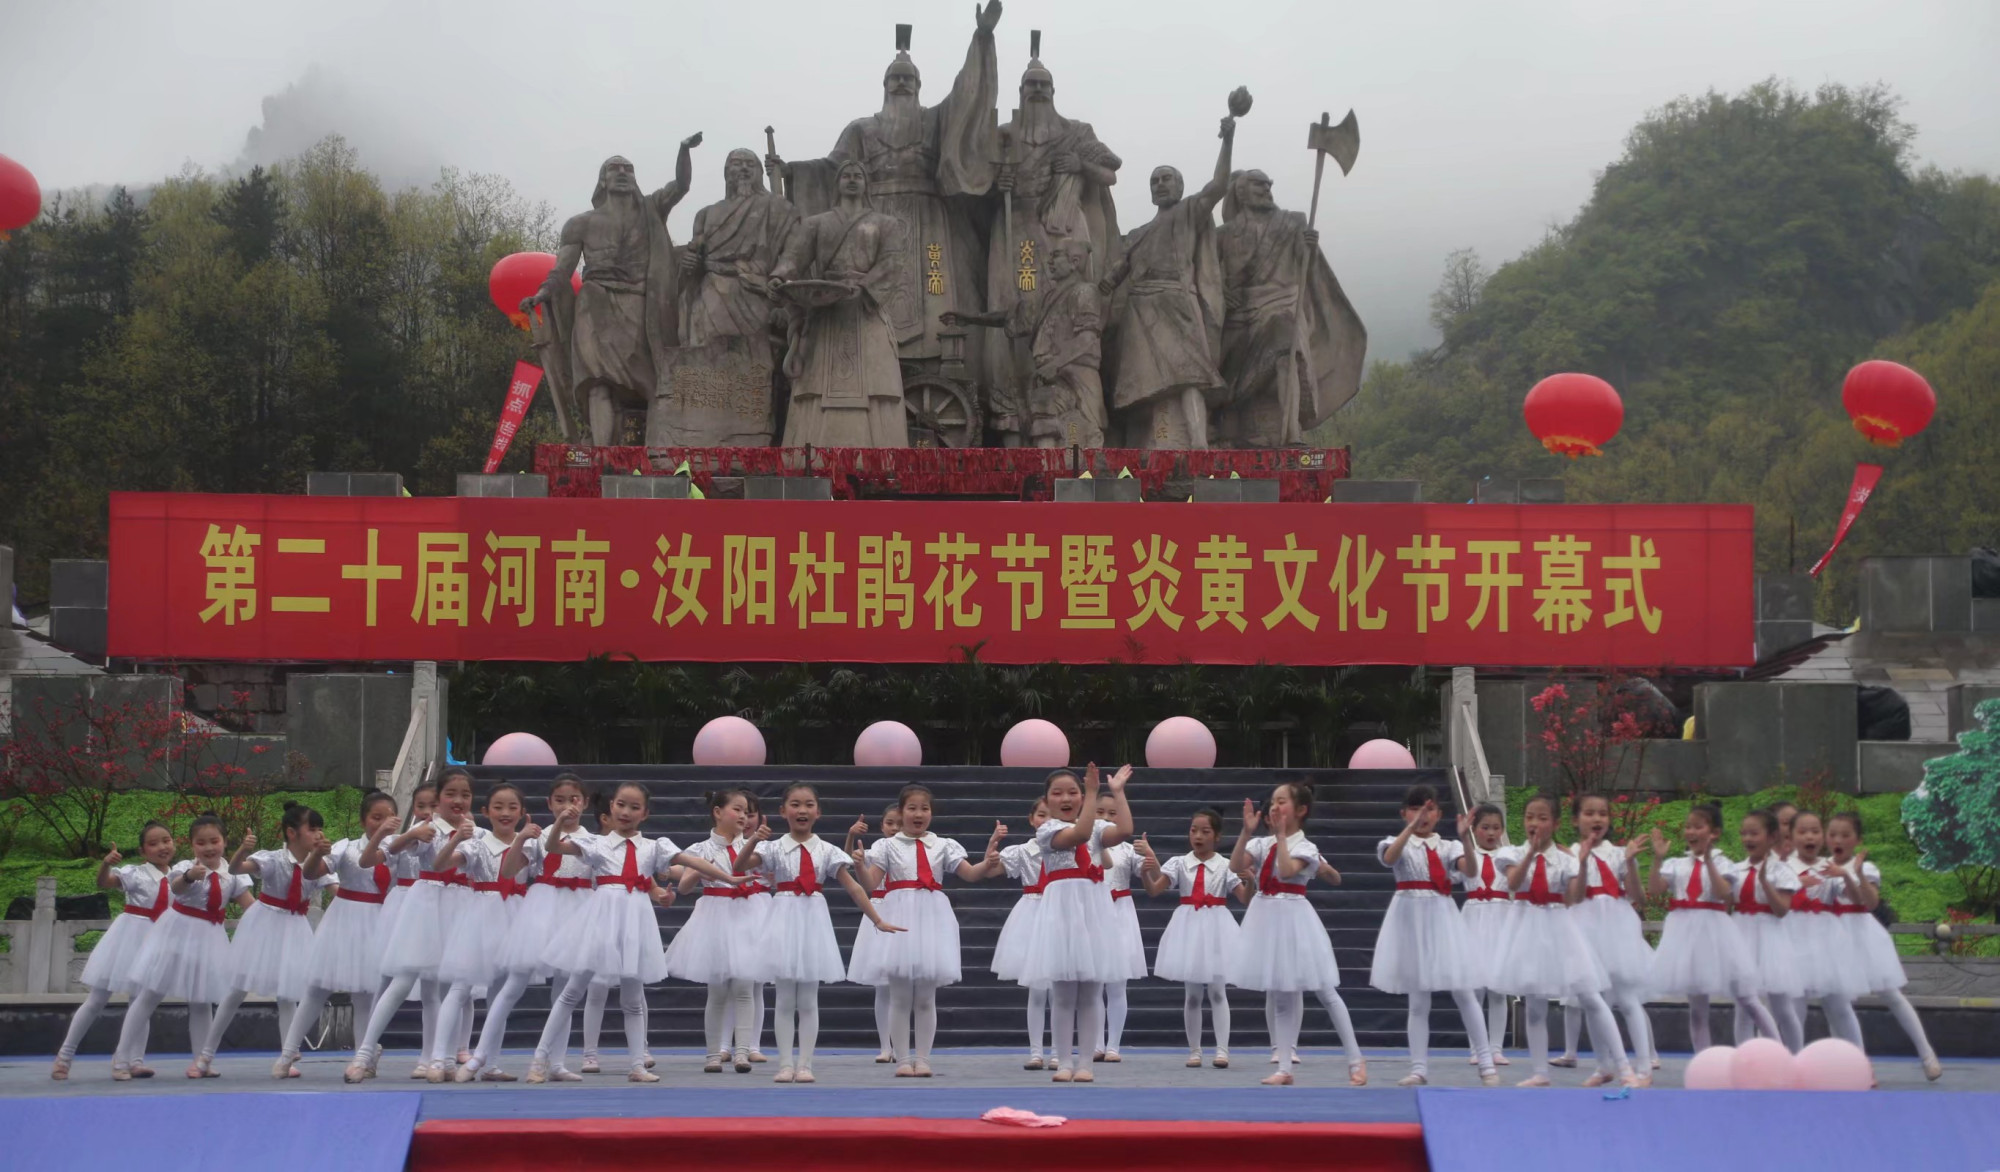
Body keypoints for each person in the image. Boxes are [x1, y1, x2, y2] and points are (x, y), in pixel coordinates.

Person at [526, 782, 739, 1083]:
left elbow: (693, 862)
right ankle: (539, 1059)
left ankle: (638, 1064)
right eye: (621, 805)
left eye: (634, 807)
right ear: (611, 807)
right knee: (572, 992)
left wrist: (727, 877)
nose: (626, 812)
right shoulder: (596, 844)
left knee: (633, 999)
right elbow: (553, 847)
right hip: (601, 919)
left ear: (645, 813)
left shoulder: (654, 847)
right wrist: (560, 821)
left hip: (635, 922)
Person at [734, 783, 903, 1082]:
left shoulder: (828, 850)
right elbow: (739, 866)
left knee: (809, 1000)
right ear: (783, 811)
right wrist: (752, 840)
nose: (802, 810)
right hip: (783, 919)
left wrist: (877, 919)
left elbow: (853, 886)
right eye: (795, 804)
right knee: (785, 998)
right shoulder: (771, 847)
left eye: (809, 804)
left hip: (813, 921)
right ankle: (785, 1063)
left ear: (818, 811)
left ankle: (806, 1064)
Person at [856, 783, 1007, 1077]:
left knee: (926, 997)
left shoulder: (943, 845)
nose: (918, 814)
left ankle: (923, 1058)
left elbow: (970, 874)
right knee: (899, 996)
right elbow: (871, 885)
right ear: (900, 813)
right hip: (899, 914)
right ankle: (902, 1059)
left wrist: (988, 859)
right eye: (911, 808)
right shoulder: (886, 846)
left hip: (932, 917)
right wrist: (861, 865)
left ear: (931, 813)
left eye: (924, 808)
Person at [344, 769, 479, 1082]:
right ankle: (364, 1053)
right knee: (402, 981)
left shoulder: (477, 833)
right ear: (438, 799)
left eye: (465, 795)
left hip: (461, 907)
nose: (458, 800)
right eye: (451, 794)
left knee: (446, 988)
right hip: (427, 904)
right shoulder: (425, 829)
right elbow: (378, 855)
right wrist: (412, 834)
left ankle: (438, 1058)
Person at [1493, 794, 1635, 1088]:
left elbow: (1574, 898)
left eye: (1543, 818)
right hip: (1526, 927)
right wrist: (1531, 852)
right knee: (1534, 1005)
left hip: (1559, 926)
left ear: (1555, 823)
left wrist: (1581, 865)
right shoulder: (1511, 853)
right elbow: (1514, 883)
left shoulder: (1566, 857)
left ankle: (1623, 1068)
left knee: (1590, 995)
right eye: (1530, 817)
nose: (1535, 823)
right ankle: (1540, 1072)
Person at [1230, 782, 1366, 1086]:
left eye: (1283, 802)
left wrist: (1280, 836)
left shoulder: (1305, 847)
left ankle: (1356, 1059)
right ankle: (1285, 1067)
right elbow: (1236, 865)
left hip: (1294, 917)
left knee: (1325, 991)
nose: (1275, 807)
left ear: (1301, 810)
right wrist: (1246, 832)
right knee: (1280, 995)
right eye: (1273, 802)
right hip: (1266, 916)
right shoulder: (1261, 844)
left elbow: (1288, 870)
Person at [769, 159, 911, 447]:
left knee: (877, 388)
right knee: (815, 387)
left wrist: (864, 286)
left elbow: (893, 263)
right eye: (846, 175)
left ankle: (881, 456)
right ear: (837, 183)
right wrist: (779, 278)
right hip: (825, 313)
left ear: (866, 183)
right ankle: (808, 454)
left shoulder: (886, 224)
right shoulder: (816, 223)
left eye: (858, 175)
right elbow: (793, 259)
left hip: (866, 312)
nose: (852, 179)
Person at [1371, 785, 1499, 1087]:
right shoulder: (1395, 841)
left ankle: (1486, 1062)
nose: (1423, 815)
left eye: (1429, 809)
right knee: (1418, 999)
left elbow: (1470, 871)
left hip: (1441, 917)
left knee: (1464, 991)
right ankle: (1418, 1068)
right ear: (1404, 814)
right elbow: (1390, 859)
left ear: (1439, 814)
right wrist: (1411, 829)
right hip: (1409, 917)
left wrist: (1466, 837)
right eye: (1415, 809)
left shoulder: (1448, 846)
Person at [469, 773, 593, 1083]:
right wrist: (522, 838)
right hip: (543, 909)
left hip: (578, 910)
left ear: (585, 803)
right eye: (560, 800)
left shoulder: (593, 841)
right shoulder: (539, 837)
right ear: (550, 804)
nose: (567, 806)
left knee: (564, 989)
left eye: (574, 799)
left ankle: (557, 1062)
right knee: (514, 984)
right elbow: (509, 871)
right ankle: (481, 1056)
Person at [111, 813, 254, 1080]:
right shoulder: (186, 866)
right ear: (192, 845)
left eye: (215, 841)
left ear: (224, 841)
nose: (209, 847)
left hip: (210, 938)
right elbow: (177, 888)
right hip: (177, 932)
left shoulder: (232, 873)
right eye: (201, 843)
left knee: (201, 1001)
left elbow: (249, 904)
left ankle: (201, 1061)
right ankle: (121, 1060)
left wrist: (267, 922)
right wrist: (189, 876)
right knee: (150, 994)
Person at [1016, 764, 1131, 1084]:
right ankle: (1064, 1060)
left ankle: (1086, 1063)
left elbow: (1123, 831)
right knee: (1064, 993)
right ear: (1047, 799)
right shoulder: (1047, 829)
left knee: (1092, 993)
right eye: (1057, 793)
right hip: (1062, 909)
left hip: (1093, 908)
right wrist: (1092, 793)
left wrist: (1117, 793)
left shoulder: (1095, 827)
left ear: (1081, 797)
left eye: (1073, 792)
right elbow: (1078, 835)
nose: (1065, 798)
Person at [276, 791, 399, 1079]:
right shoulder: (346, 847)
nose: (379, 823)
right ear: (362, 820)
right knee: (317, 989)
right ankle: (285, 1055)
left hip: (380, 921)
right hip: (344, 920)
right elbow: (311, 873)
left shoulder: (401, 848)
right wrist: (317, 853)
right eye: (374, 817)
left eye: (386, 817)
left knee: (366, 994)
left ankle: (362, 1056)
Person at [202, 802, 331, 1072]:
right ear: (292, 832)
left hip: (295, 928)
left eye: (321, 829)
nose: (319, 834)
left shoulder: (321, 864)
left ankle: (287, 1054)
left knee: (288, 995)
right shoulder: (273, 859)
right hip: (264, 924)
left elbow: (338, 889)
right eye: (312, 828)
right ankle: (206, 1054)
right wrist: (244, 849)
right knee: (237, 989)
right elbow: (236, 869)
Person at [1644, 805, 1781, 1052]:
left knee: (1747, 998)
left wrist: (1708, 861)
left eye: (1699, 826)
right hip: (1685, 935)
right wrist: (1657, 858)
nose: (1691, 831)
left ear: (1714, 832)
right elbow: (1654, 889)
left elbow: (1723, 893)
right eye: (1688, 826)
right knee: (1697, 1009)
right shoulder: (1677, 864)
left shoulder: (1725, 863)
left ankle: (1778, 1050)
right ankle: (1703, 1062)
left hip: (1716, 934)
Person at [1823, 811, 1943, 1080]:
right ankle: (1854, 1065)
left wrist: (1853, 875)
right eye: (1832, 834)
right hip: (1832, 938)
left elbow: (1870, 903)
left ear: (1857, 839)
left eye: (1845, 835)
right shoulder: (1821, 867)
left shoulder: (1865, 867)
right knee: (1835, 1002)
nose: (1837, 840)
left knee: (1891, 994)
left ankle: (1927, 1054)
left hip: (1863, 934)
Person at [52, 822, 175, 1080]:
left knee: (141, 1001)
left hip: (156, 941)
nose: (162, 847)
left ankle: (134, 1060)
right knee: (97, 999)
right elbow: (105, 882)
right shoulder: (135, 873)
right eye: (153, 844)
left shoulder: (179, 876)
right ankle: (64, 1056)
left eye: (166, 840)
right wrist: (106, 863)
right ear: (143, 851)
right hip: (127, 938)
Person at [425, 783, 531, 1082]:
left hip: (515, 915)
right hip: (480, 914)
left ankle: (490, 1062)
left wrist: (523, 838)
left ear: (522, 812)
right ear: (486, 812)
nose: (505, 813)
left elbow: (515, 869)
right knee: (461, 988)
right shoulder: (476, 844)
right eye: (498, 807)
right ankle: (439, 1059)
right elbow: (441, 863)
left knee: (500, 993)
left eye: (512, 807)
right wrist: (457, 837)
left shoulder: (529, 845)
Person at [667, 788, 773, 1074]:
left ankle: (742, 1052)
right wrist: (698, 871)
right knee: (717, 991)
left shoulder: (754, 847)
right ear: (717, 812)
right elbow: (686, 888)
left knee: (744, 987)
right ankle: (714, 1053)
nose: (742, 816)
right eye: (736, 809)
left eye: (746, 811)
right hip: (715, 916)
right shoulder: (700, 849)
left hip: (747, 916)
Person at [1140, 806, 1242, 1069]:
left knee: (1218, 991)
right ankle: (1195, 1050)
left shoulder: (1226, 866)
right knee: (1193, 994)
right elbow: (1154, 889)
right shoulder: (1179, 863)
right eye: (1194, 830)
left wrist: (1251, 880)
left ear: (1217, 836)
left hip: (1217, 927)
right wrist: (1146, 869)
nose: (1198, 836)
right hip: (1188, 927)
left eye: (1205, 831)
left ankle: (1222, 1050)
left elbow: (1246, 897)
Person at [1567, 793, 1659, 1083]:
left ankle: (1644, 1067)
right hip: (1585, 926)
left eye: (1602, 814)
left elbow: (1638, 897)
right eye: (1589, 813)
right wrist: (1581, 862)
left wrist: (1630, 862)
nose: (1596, 819)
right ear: (1575, 819)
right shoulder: (1569, 854)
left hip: (1617, 928)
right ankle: (1604, 1065)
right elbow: (1575, 897)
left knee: (1628, 997)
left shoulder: (1619, 853)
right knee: (1594, 999)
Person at [1785, 812, 1864, 1050]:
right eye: (1802, 831)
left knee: (1839, 1005)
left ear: (1823, 837)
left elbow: (1857, 899)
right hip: (1792, 938)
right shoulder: (1783, 867)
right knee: (1794, 1006)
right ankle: (1792, 1063)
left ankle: (1860, 1062)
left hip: (1826, 941)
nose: (1809, 836)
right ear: (1790, 836)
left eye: (1815, 831)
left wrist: (1848, 876)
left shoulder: (1830, 867)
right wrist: (1795, 886)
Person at [1730, 809, 1806, 1051]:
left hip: (1769, 937)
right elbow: (1727, 903)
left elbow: (1782, 909)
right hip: (1740, 935)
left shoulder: (1780, 870)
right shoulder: (1735, 870)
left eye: (1754, 833)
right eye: (1744, 834)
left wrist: (1764, 882)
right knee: (1743, 1005)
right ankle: (1744, 1061)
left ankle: (1793, 1059)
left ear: (1772, 837)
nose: (1748, 839)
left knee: (1782, 1006)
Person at [988, 797, 1053, 1068]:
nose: (1046, 821)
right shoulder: (1022, 851)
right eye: (1041, 815)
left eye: (1051, 816)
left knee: (1063, 990)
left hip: (1061, 910)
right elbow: (992, 870)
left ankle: (1060, 1052)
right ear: (1031, 819)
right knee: (1037, 989)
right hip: (1032, 911)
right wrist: (993, 845)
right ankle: (1036, 1051)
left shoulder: (1072, 846)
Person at [1453, 803, 1518, 1070]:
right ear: (1475, 829)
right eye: (1485, 828)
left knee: (1498, 989)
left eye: (1496, 828)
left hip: (1501, 917)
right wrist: (1464, 838)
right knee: (1474, 988)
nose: (1491, 833)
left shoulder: (1509, 855)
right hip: (1474, 917)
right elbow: (1458, 874)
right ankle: (1476, 1047)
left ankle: (1496, 1048)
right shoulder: (1466, 854)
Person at [846, 801, 905, 1064]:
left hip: (903, 911)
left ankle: (903, 1045)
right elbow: (849, 859)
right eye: (890, 823)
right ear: (881, 826)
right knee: (882, 987)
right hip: (879, 910)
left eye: (899, 823)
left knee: (902, 985)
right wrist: (851, 836)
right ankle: (885, 1046)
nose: (894, 828)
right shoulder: (877, 850)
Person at [1096, 794, 1149, 1062]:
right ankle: (1095, 1043)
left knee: (1117, 984)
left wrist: (1149, 856)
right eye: (1100, 812)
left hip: (1120, 914)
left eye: (1112, 813)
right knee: (1092, 983)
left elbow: (1149, 875)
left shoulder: (1128, 850)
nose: (1105, 818)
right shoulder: (1084, 846)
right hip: (1093, 912)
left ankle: (1113, 1044)